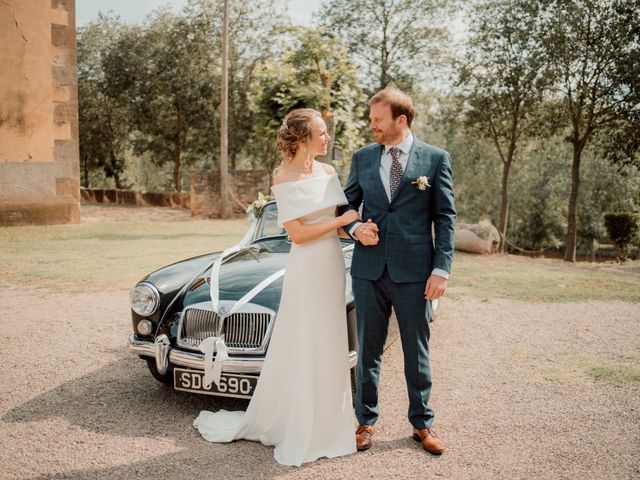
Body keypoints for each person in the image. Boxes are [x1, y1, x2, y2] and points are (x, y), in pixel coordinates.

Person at [193, 108, 359, 467]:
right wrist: (341, 221)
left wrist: (357, 228)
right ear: (302, 140)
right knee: (304, 337)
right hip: (307, 265)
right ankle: (297, 423)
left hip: (330, 264)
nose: (327, 137)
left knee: (329, 338)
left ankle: (329, 422)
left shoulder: (328, 171)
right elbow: (298, 234)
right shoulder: (283, 179)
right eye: (321, 132)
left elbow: (338, 221)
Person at [339, 88, 456, 454]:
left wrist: (442, 269)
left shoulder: (435, 160)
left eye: (377, 119)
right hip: (369, 271)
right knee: (368, 351)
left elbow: (445, 218)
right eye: (371, 119)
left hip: (415, 272)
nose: (371, 125)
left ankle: (422, 424)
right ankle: (365, 422)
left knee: (415, 351)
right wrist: (357, 230)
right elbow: (344, 208)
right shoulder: (361, 158)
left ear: (400, 120)